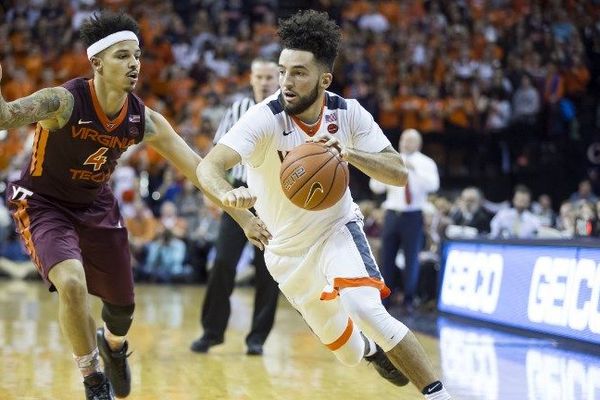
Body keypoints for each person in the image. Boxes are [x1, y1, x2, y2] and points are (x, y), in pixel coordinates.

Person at [196, 10, 451, 400]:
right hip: (285, 253)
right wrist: (233, 201)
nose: (285, 82)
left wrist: (350, 154)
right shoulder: (264, 118)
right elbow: (209, 167)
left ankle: (439, 395)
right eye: (282, 71)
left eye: (298, 72)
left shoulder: (348, 113)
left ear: (324, 78)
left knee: (366, 308)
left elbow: (398, 173)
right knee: (348, 354)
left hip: (337, 230)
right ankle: (369, 351)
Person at [0, 11, 224, 400]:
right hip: (44, 204)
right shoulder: (62, 101)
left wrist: (243, 215)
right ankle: (93, 380)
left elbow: (200, 171)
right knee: (71, 283)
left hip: (96, 205)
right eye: (122, 55)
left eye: (136, 55)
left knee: (121, 309)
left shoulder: (142, 119)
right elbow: (5, 116)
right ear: (97, 63)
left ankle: (114, 347)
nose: (134, 63)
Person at [190, 58, 280, 356]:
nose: (265, 81)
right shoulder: (237, 110)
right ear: (251, 79)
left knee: (268, 273)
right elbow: (218, 155)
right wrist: (217, 190)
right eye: (259, 76)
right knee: (223, 265)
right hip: (239, 199)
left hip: (271, 202)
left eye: (270, 76)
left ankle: (257, 339)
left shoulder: (287, 113)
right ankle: (211, 333)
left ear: (278, 79)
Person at [369, 129, 440, 312]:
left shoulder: (426, 163)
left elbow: (434, 185)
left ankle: (409, 299)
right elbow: (376, 187)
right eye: (403, 139)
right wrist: (380, 169)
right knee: (386, 258)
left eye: (410, 141)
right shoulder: (392, 158)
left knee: (411, 260)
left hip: (413, 214)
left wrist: (413, 170)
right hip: (392, 214)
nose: (405, 143)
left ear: (418, 144)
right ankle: (385, 300)